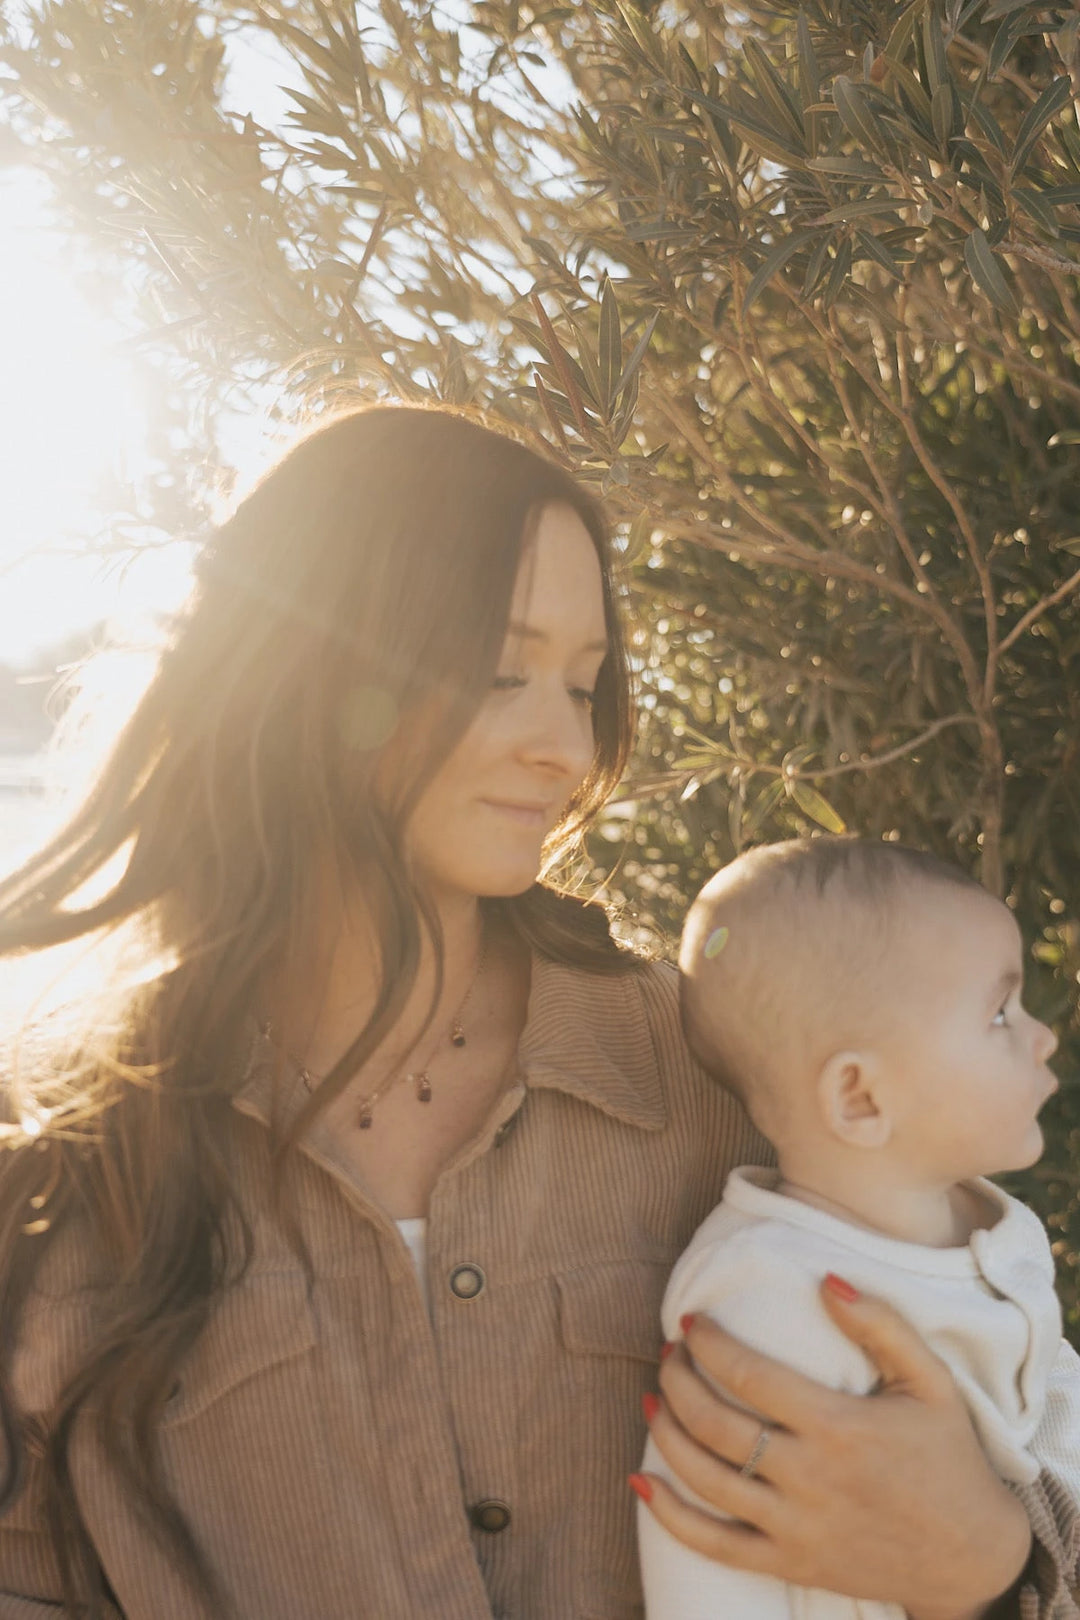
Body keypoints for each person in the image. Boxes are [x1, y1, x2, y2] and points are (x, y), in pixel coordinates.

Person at [0, 404, 1070, 1620]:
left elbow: (1021, 1390)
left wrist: (995, 1563)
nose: (567, 748)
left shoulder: (724, 1078)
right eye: (502, 671)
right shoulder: (66, 1152)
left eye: (585, 682)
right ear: (306, 670)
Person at [636, 836, 1080, 1619]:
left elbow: (1056, 1410)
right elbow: (705, 1560)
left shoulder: (990, 1233)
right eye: (1000, 1014)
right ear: (861, 1100)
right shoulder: (771, 1296)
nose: (1042, 1037)